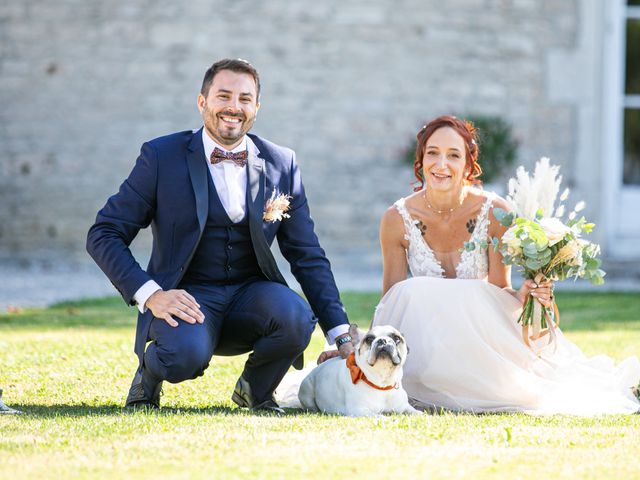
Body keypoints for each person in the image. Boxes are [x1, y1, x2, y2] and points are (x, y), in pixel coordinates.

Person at [87, 58, 354, 414]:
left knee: (295, 316)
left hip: (252, 296)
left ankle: (255, 390)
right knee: (184, 356)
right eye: (223, 96)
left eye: (245, 99)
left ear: (256, 107)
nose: (234, 107)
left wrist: (339, 332)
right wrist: (151, 294)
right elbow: (104, 233)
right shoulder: (161, 156)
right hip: (186, 296)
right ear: (202, 102)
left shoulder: (281, 162)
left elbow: (306, 254)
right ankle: (150, 374)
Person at [371, 115, 640, 415]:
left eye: (453, 155)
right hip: (427, 345)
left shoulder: (494, 212)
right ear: (420, 160)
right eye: (432, 153)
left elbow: (499, 291)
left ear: (468, 165)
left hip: (477, 339)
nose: (441, 164)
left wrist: (527, 296)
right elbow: (391, 301)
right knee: (411, 291)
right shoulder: (396, 219)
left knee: (537, 388)